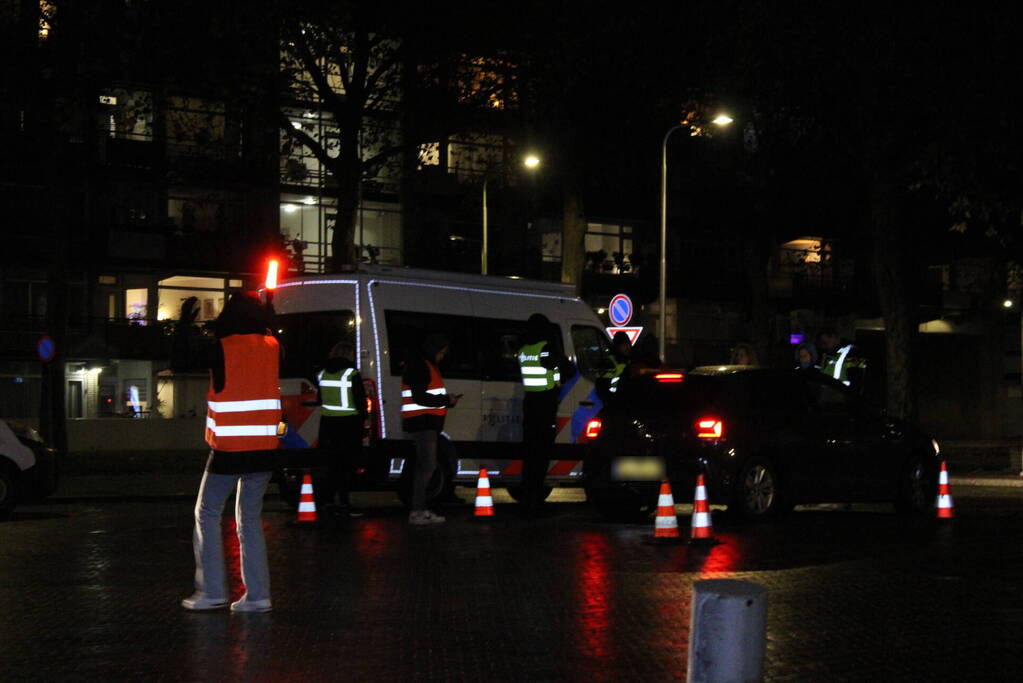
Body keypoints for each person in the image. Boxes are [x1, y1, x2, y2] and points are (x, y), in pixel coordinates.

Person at [174, 292, 280, 613]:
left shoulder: (222, 348)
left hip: (229, 451)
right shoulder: (273, 347)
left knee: (206, 513)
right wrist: (269, 313)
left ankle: (211, 592)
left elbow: (179, 361)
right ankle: (259, 596)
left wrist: (183, 325)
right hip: (264, 451)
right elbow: (270, 333)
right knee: (248, 518)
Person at [517, 313, 576, 514]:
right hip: (545, 405)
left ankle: (526, 498)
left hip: (530, 404)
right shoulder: (546, 348)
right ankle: (535, 501)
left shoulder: (524, 350)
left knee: (530, 455)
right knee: (541, 456)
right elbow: (567, 369)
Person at [401, 333, 461, 525]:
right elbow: (420, 398)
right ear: (434, 350)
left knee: (426, 466)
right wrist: (446, 400)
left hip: (424, 423)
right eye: (442, 353)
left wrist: (446, 401)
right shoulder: (421, 366)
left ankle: (421, 510)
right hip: (423, 423)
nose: (442, 357)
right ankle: (417, 511)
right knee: (427, 466)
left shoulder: (422, 365)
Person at [316, 340, 367, 517]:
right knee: (346, 466)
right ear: (347, 354)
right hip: (349, 426)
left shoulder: (322, 374)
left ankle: (328, 501)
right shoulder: (352, 373)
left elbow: (319, 399)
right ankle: (344, 503)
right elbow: (360, 401)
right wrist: (363, 418)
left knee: (330, 465)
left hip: (328, 425)